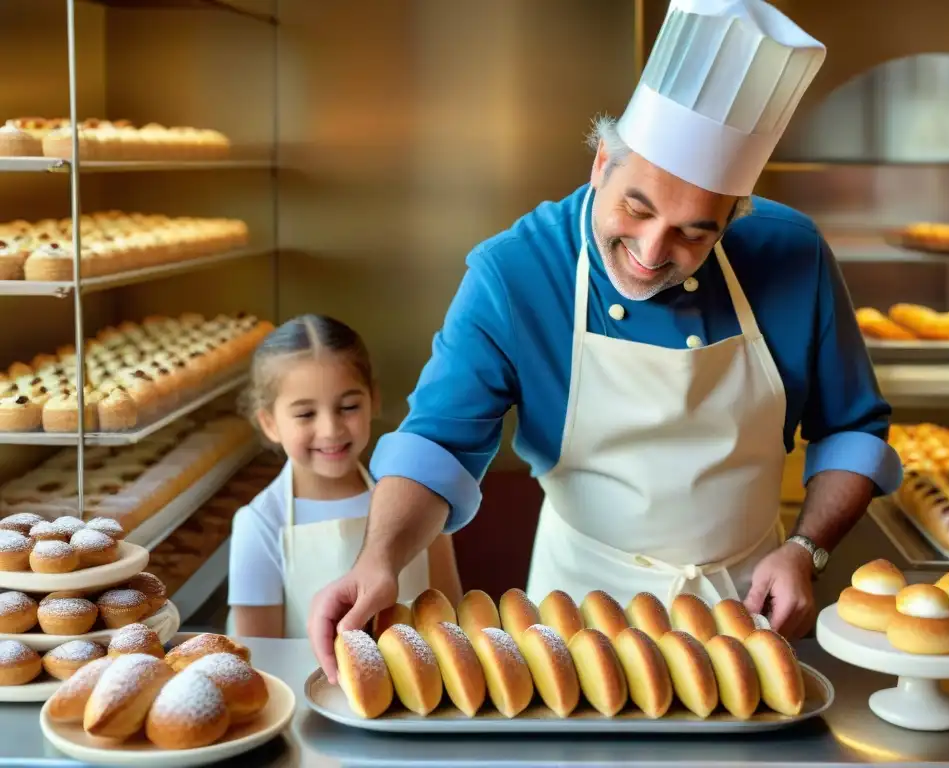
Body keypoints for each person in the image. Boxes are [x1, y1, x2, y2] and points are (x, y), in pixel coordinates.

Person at [309, 0, 904, 683]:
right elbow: (438, 443)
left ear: (734, 218)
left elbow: (854, 429)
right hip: (577, 621)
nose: (652, 252)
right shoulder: (517, 272)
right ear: (601, 163)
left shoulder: (791, 253)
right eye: (636, 208)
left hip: (752, 609)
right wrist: (378, 560)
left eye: (695, 232)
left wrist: (808, 548)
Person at [227, 314, 461, 638]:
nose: (331, 429)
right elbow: (261, 655)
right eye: (306, 414)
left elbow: (451, 622)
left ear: (373, 400)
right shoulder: (259, 524)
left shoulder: (420, 498)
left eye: (348, 407)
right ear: (269, 423)